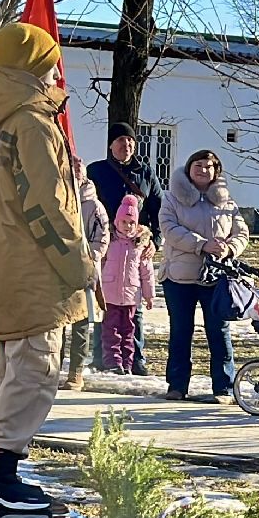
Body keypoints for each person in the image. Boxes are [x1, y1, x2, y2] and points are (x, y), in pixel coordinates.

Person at [0, 23, 89, 512]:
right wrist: (80, 265)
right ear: (36, 67)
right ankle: (1, 480)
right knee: (35, 371)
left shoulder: (10, 119)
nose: (57, 70)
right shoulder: (33, 123)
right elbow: (47, 208)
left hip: (15, 264)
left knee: (13, 370)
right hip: (39, 270)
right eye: (50, 62)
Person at [158, 149, 250, 403]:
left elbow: (241, 232)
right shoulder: (171, 198)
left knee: (218, 331)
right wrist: (201, 245)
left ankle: (224, 388)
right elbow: (169, 228)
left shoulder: (226, 203)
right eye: (197, 165)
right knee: (181, 331)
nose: (203, 170)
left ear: (216, 171)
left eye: (208, 166)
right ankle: (177, 386)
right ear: (188, 168)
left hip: (215, 278)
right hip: (179, 277)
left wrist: (229, 248)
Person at [88, 123, 161, 375]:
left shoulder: (145, 173)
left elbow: (157, 209)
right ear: (110, 145)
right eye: (120, 140)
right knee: (103, 305)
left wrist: (156, 240)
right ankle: (102, 358)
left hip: (136, 244)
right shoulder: (96, 171)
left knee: (133, 310)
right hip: (103, 244)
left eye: (130, 141)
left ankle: (135, 360)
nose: (126, 145)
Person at [98, 194, 157, 375]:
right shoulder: (109, 241)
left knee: (129, 331)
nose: (127, 226)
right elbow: (100, 264)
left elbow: (146, 272)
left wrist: (149, 295)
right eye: (124, 221)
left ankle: (128, 363)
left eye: (131, 222)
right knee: (111, 330)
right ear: (117, 221)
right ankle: (113, 362)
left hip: (131, 295)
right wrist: (96, 289)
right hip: (110, 294)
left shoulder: (140, 244)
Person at [59, 176, 109, 389]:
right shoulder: (55, 197)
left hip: (85, 270)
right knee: (56, 323)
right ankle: (51, 371)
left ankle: (75, 373)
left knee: (80, 323)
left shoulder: (94, 206)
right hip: (58, 269)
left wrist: (87, 258)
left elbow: (102, 238)